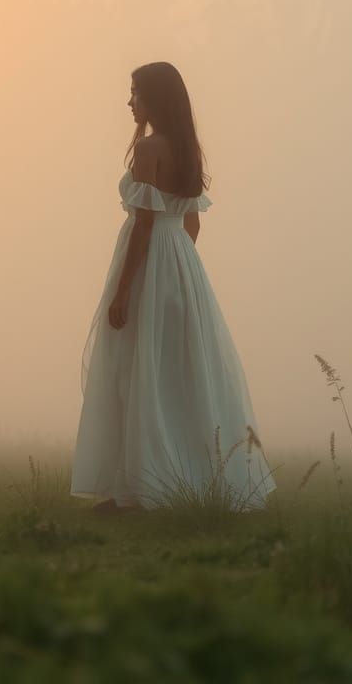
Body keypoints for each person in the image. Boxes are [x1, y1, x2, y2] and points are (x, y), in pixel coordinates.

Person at [70, 62, 275, 513]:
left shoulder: (148, 149)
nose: (129, 102)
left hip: (150, 257)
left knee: (138, 366)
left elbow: (144, 222)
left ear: (154, 99)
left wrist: (125, 290)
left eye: (135, 93)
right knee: (175, 368)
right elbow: (191, 222)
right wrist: (180, 269)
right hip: (180, 259)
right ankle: (170, 479)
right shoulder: (186, 149)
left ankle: (142, 488)